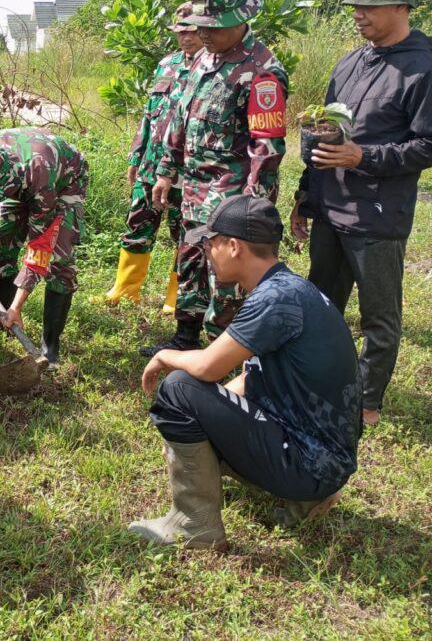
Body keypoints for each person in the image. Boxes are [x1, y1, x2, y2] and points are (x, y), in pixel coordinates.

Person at [130, 195, 361, 551]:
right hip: (325, 458)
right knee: (198, 403)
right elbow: (249, 379)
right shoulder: (289, 289)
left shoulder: (273, 299)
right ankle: (307, 496)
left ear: (234, 246)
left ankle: (194, 525)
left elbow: (206, 367)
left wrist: (165, 355)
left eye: (210, 243)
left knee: (178, 388)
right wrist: (206, 422)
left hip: (311, 462)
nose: (206, 252)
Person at [290, 0, 432, 427]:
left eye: (369, 6)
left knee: (379, 318)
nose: (358, 13)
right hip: (331, 209)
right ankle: (315, 381)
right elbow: (323, 135)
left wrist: (364, 158)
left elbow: (426, 144)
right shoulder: (351, 62)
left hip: (376, 215)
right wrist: (305, 197)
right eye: (355, 4)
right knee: (321, 305)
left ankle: (367, 404)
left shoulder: (423, 66)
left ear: (401, 5)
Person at [145, 0, 288, 356]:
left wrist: (252, 207)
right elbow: (181, 117)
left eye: (213, 26)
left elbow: (267, 147)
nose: (204, 33)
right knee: (191, 259)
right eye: (200, 25)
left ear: (240, 21)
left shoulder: (261, 72)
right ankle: (185, 338)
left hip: (231, 193)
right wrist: (166, 170)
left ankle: (223, 352)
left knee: (228, 279)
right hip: (192, 190)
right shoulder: (204, 58)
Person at [104, 2, 203, 309]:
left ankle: (177, 299)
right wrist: (136, 156)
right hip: (150, 167)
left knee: (185, 235)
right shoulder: (167, 64)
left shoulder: (211, 67)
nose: (185, 38)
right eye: (180, 31)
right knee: (137, 225)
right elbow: (149, 116)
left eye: (192, 31)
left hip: (185, 171)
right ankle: (125, 290)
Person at [0, 127, 87, 364]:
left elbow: (39, 247)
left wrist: (17, 306)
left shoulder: (41, 176)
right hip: (22, 175)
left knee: (60, 263)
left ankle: (50, 348)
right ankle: (0, 324)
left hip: (63, 183)